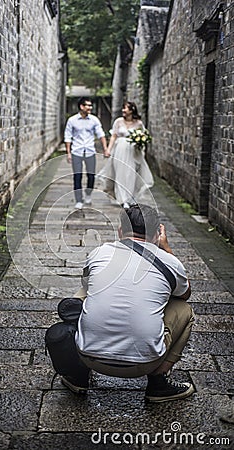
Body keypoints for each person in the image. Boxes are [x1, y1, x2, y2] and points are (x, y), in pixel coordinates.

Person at [61, 204, 195, 403]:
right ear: (158, 233)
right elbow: (184, 294)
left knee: (83, 292)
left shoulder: (100, 252)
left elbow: (87, 285)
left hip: (88, 355)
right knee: (185, 310)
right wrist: (166, 249)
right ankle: (158, 382)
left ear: (120, 231)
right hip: (145, 363)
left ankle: (78, 375)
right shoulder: (170, 262)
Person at [99, 101, 154, 209]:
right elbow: (114, 136)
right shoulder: (118, 121)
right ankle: (123, 199)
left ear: (132, 110)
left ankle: (130, 198)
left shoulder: (138, 123)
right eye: (123, 108)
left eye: (126, 108)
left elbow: (143, 136)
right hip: (120, 149)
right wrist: (108, 149)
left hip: (132, 151)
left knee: (131, 174)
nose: (123, 110)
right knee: (120, 174)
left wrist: (141, 145)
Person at [64, 97, 110, 210]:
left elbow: (101, 134)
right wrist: (68, 153)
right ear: (81, 106)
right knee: (77, 176)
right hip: (76, 151)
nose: (90, 107)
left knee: (91, 175)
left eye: (90, 105)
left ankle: (88, 193)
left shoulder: (94, 120)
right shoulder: (72, 120)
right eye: (88, 105)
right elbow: (68, 136)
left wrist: (105, 148)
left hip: (90, 151)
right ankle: (79, 200)